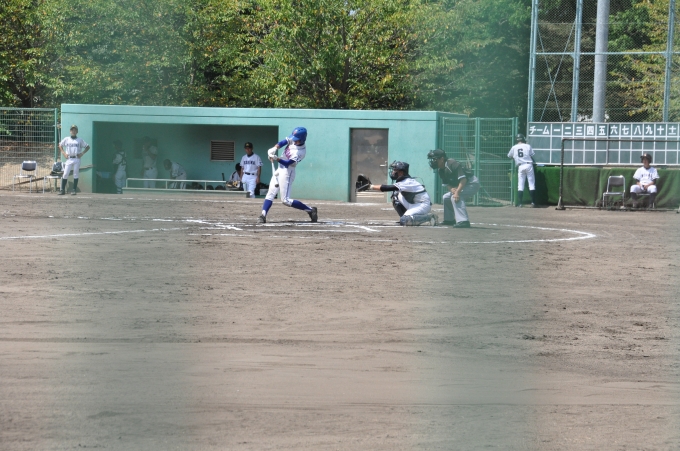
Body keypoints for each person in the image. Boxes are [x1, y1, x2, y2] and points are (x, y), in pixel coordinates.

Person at [258, 127, 317, 223]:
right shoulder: (294, 139)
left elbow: (288, 163)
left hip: (288, 172)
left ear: (302, 139)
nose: (294, 141)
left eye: (297, 140)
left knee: (285, 200)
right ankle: (263, 215)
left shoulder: (301, 152)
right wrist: (275, 148)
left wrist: (276, 158)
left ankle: (310, 210)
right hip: (280, 169)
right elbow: (284, 141)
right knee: (270, 193)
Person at [366, 161, 437, 226]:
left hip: (423, 206)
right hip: (414, 204)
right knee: (395, 194)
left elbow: (387, 188)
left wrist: (370, 186)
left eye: (395, 170)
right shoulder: (404, 181)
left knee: (404, 220)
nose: (393, 172)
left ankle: (429, 218)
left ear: (401, 172)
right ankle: (408, 217)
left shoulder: (407, 182)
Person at [427, 149, 481, 228]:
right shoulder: (441, 170)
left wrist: (457, 192)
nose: (433, 161)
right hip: (463, 184)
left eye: (435, 159)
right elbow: (447, 184)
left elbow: (463, 180)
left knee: (455, 197)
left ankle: (463, 221)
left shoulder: (452, 164)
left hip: (472, 183)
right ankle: (449, 220)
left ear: (442, 159)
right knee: (446, 197)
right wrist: (451, 189)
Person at [58, 125, 90, 195]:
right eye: (72, 130)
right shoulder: (67, 139)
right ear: (70, 131)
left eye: (75, 130)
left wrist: (82, 153)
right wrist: (64, 153)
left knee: (75, 174)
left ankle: (74, 190)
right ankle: (62, 190)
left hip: (76, 158)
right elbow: (60, 145)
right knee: (65, 173)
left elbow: (87, 147)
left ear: (77, 131)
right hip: (69, 158)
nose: (73, 131)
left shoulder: (79, 140)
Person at [507, 133, 536, 207]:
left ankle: (520, 203)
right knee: (531, 184)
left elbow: (509, 156)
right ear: (523, 138)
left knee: (520, 185)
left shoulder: (514, 147)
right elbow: (531, 155)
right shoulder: (527, 146)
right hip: (528, 164)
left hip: (520, 166)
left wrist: (516, 158)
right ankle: (533, 202)